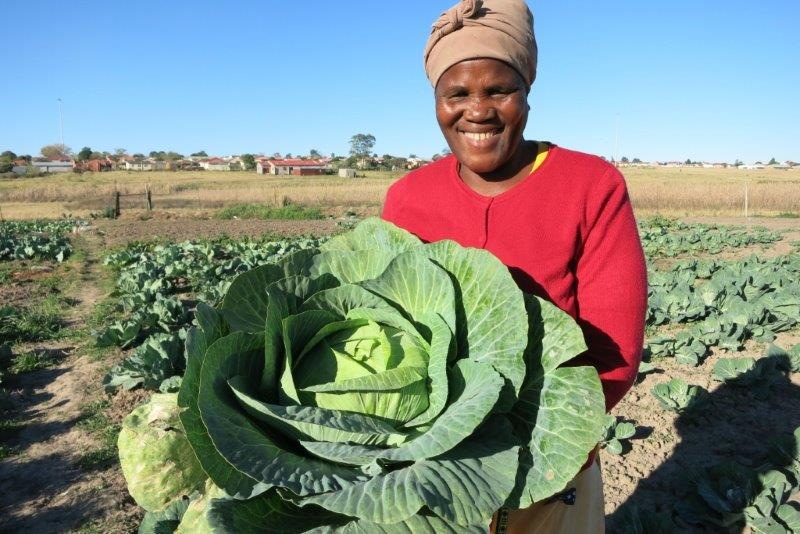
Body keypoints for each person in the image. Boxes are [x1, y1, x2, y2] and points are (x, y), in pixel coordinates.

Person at [380, 1, 648, 532]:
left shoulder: (590, 186)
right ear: (435, 101)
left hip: (548, 460)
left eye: (498, 90)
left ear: (527, 94)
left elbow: (613, 350)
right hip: (431, 469)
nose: (477, 110)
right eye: (456, 93)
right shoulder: (407, 198)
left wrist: (557, 442)